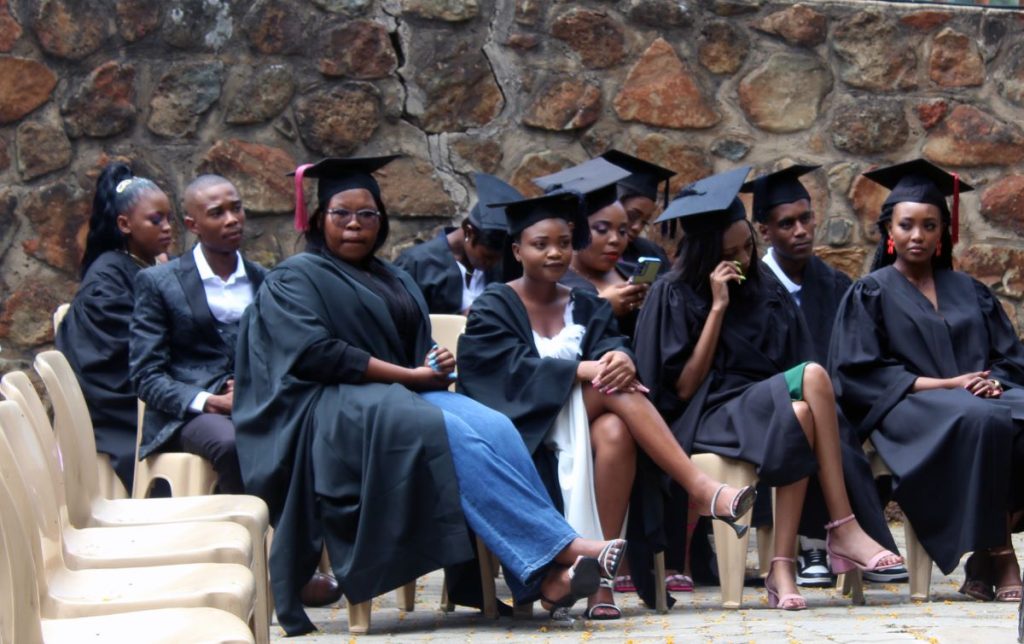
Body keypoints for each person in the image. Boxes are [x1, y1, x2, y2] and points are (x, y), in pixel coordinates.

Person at [232, 156, 628, 636]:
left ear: (381, 221)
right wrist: (410, 374)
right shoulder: (295, 277)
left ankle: (546, 579)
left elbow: (410, 346)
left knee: (494, 425)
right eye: (342, 214)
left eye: (367, 214)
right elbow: (319, 354)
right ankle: (565, 550)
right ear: (319, 220)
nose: (355, 224)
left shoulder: (392, 276)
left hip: (396, 394)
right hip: (326, 407)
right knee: (436, 428)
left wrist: (431, 360)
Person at [457, 186, 757, 619]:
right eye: (541, 244)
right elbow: (497, 374)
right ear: (518, 250)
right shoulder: (494, 305)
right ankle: (701, 489)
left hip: (586, 421)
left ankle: (601, 583)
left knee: (616, 429)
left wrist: (621, 357)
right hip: (521, 428)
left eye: (564, 242)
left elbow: (610, 343)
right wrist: (582, 369)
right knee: (609, 386)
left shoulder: (583, 303)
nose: (555, 253)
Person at [633, 167, 901, 611]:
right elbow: (682, 389)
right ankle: (843, 526)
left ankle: (781, 567)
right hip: (705, 415)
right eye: (730, 253)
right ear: (705, 255)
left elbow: (791, 358)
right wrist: (717, 309)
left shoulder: (765, 288)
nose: (743, 259)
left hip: (761, 407)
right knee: (812, 377)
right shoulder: (671, 294)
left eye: (747, 247)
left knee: (800, 414)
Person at [829, 158, 1024, 603]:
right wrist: (948, 384)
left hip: (978, 398)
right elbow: (859, 373)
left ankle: (983, 556)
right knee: (984, 420)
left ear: (942, 234)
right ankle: (1001, 554)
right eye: (907, 225)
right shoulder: (871, 291)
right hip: (907, 406)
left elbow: (1008, 357)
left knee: (1004, 415)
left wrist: (992, 382)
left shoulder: (970, 290)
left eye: (929, 226)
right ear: (889, 230)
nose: (917, 235)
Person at [742, 165, 907, 588]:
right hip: (770, 408)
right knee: (807, 420)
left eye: (806, 218)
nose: (801, 231)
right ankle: (826, 543)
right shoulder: (750, 288)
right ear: (764, 231)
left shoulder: (835, 284)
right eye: (787, 224)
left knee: (835, 419)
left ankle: (821, 546)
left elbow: (854, 357)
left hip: (834, 406)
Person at [56, 163, 173, 492]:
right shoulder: (106, 280)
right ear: (125, 224)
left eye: (169, 219)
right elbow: (124, 350)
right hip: (115, 404)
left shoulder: (147, 264)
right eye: (156, 220)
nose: (167, 228)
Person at [535, 158, 650, 338]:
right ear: (572, 230)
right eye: (602, 229)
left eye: (622, 231)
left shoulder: (629, 272)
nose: (615, 240)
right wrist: (602, 307)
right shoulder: (552, 285)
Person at [394, 173, 517, 314]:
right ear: (469, 232)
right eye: (487, 257)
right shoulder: (416, 264)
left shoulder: (497, 268)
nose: (492, 264)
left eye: (497, 259)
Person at [599, 150, 672, 276]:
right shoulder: (582, 251)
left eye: (644, 222)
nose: (637, 227)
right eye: (632, 216)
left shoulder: (651, 253)